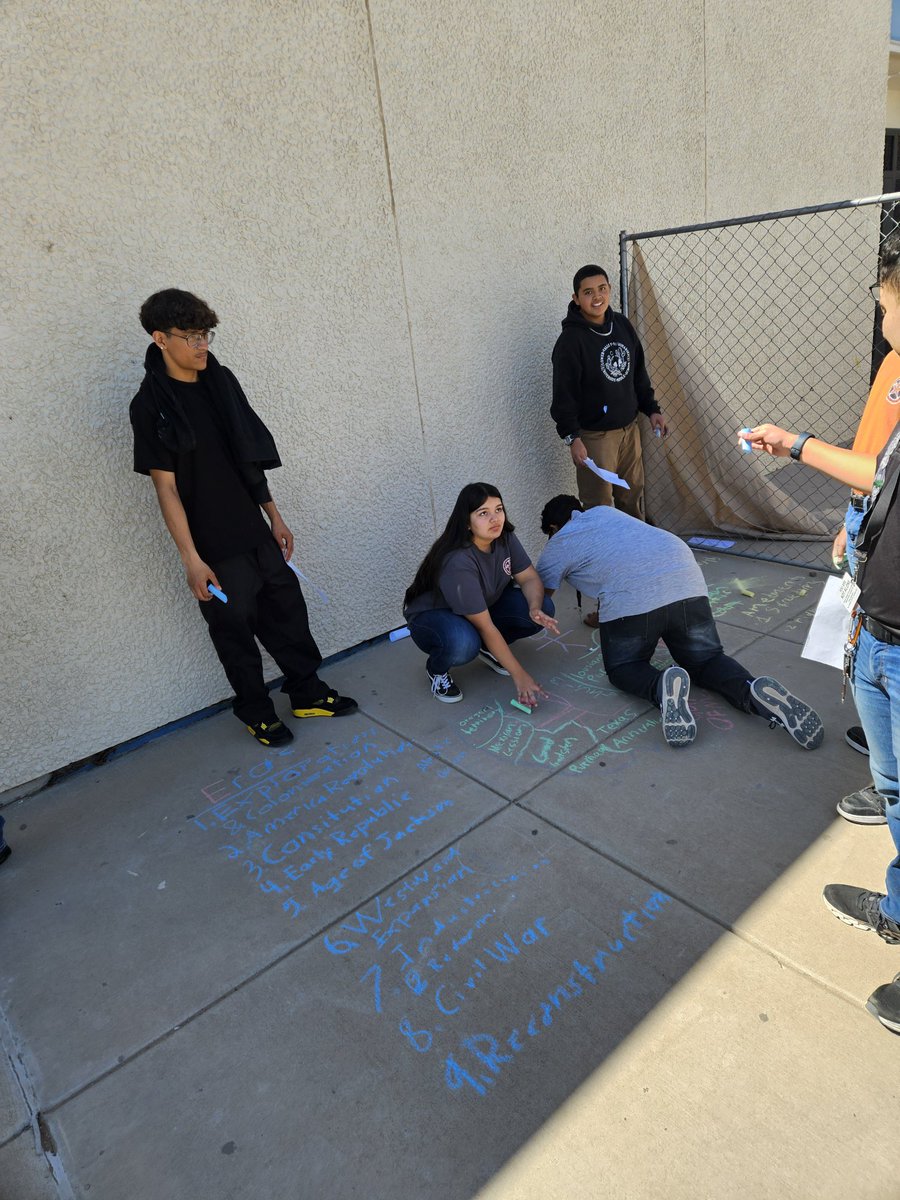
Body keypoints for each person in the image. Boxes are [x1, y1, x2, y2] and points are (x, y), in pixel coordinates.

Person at [741, 235, 900, 1033]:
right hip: (878, 623)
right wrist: (801, 450)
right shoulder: (895, 372)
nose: (880, 316)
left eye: (885, 301)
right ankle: (898, 903)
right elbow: (879, 472)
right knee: (895, 782)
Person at [130, 289, 356, 747]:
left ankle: (307, 692)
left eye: (205, 334)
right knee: (234, 633)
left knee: (288, 612)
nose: (201, 345)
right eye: (189, 336)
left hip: (253, 528)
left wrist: (274, 515)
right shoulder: (151, 404)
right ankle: (256, 712)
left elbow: (248, 454)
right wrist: (191, 559)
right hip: (213, 543)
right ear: (160, 339)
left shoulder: (220, 381)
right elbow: (166, 487)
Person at [535, 495, 824, 751]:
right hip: (686, 583)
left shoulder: (558, 543)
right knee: (707, 661)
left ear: (552, 529)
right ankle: (751, 690)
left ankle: (661, 686)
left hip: (634, 603)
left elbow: (540, 599)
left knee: (624, 668)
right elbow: (623, 561)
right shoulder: (607, 514)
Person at [551, 264, 668, 626]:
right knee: (601, 518)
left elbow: (638, 373)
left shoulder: (622, 325)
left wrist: (652, 409)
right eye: (588, 292)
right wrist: (573, 437)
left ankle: (641, 587)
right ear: (576, 298)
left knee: (632, 504)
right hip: (594, 439)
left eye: (602, 289)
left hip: (629, 430)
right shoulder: (570, 342)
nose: (597, 296)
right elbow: (563, 396)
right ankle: (609, 604)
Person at [403, 483, 559, 707]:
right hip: (435, 617)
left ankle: (489, 648)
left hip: (480, 607)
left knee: (543, 606)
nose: (495, 518)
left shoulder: (504, 537)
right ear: (466, 522)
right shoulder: (458, 560)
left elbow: (529, 578)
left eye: (499, 509)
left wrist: (534, 607)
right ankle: (436, 670)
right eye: (483, 513)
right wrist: (520, 675)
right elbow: (486, 626)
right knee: (464, 643)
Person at [831, 348, 900, 821]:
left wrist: (798, 445)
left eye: (888, 303)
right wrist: (854, 517)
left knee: (880, 641)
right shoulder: (892, 361)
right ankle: (884, 745)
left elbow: (882, 469)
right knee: (858, 627)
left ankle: (889, 782)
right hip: (870, 509)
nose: (882, 311)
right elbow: (874, 451)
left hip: (884, 514)